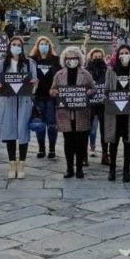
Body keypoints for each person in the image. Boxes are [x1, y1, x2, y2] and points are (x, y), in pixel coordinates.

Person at [0, 36, 38, 179]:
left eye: (19, 44)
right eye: (14, 44)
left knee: (23, 131)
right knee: (9, 131)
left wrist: (34, 83)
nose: (16, 46)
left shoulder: (30, 63)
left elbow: (34, 83)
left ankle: (22, 163)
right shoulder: (1, 63)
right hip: (7, 101)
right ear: (9, 46)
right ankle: (12, 163)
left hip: (24, 101)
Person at [49, 47, 96, 179]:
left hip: (82, 112)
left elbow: (93, 88)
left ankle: (79, 168)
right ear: (64, 60)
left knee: (81, 142)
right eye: (69, 59)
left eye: (74, 58)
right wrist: (55, 92)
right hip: (65, 113)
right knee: (68, 141)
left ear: (79, 59)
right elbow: (52, 90)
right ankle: (69, 168)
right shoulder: (59, 75)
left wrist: (89, 92)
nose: (71, 61)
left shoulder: (85, 74)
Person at [104, 44, 130, 183]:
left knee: (128, 142)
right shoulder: (111, 70)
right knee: (113, 142)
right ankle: (112, 170)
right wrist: (107, 98)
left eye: (127, 52)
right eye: (122, 53)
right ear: (118, 55)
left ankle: (126, 171)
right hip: (115, 113)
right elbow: (106, 90)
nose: (124, 55)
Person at [29, 36, 61, 159]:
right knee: (39, 123)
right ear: (37, 46)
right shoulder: (32, 60)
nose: (44, 46)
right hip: (38, 96)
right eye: (42, 44)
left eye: (46, 44)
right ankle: (41, 148)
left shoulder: (55, 60)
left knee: (52, 124)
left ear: (50, 46)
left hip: (51, 97)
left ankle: (52, 149)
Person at [85, 48, 109, 165]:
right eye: (95, 57)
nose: (97, 59)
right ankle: (84, 155)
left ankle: (105, 154)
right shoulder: (85, 71)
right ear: (91, 57)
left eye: (100, 57)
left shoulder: (108, 70)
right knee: (87, 129)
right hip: (90, 104)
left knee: (105, 130)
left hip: (103, 104)